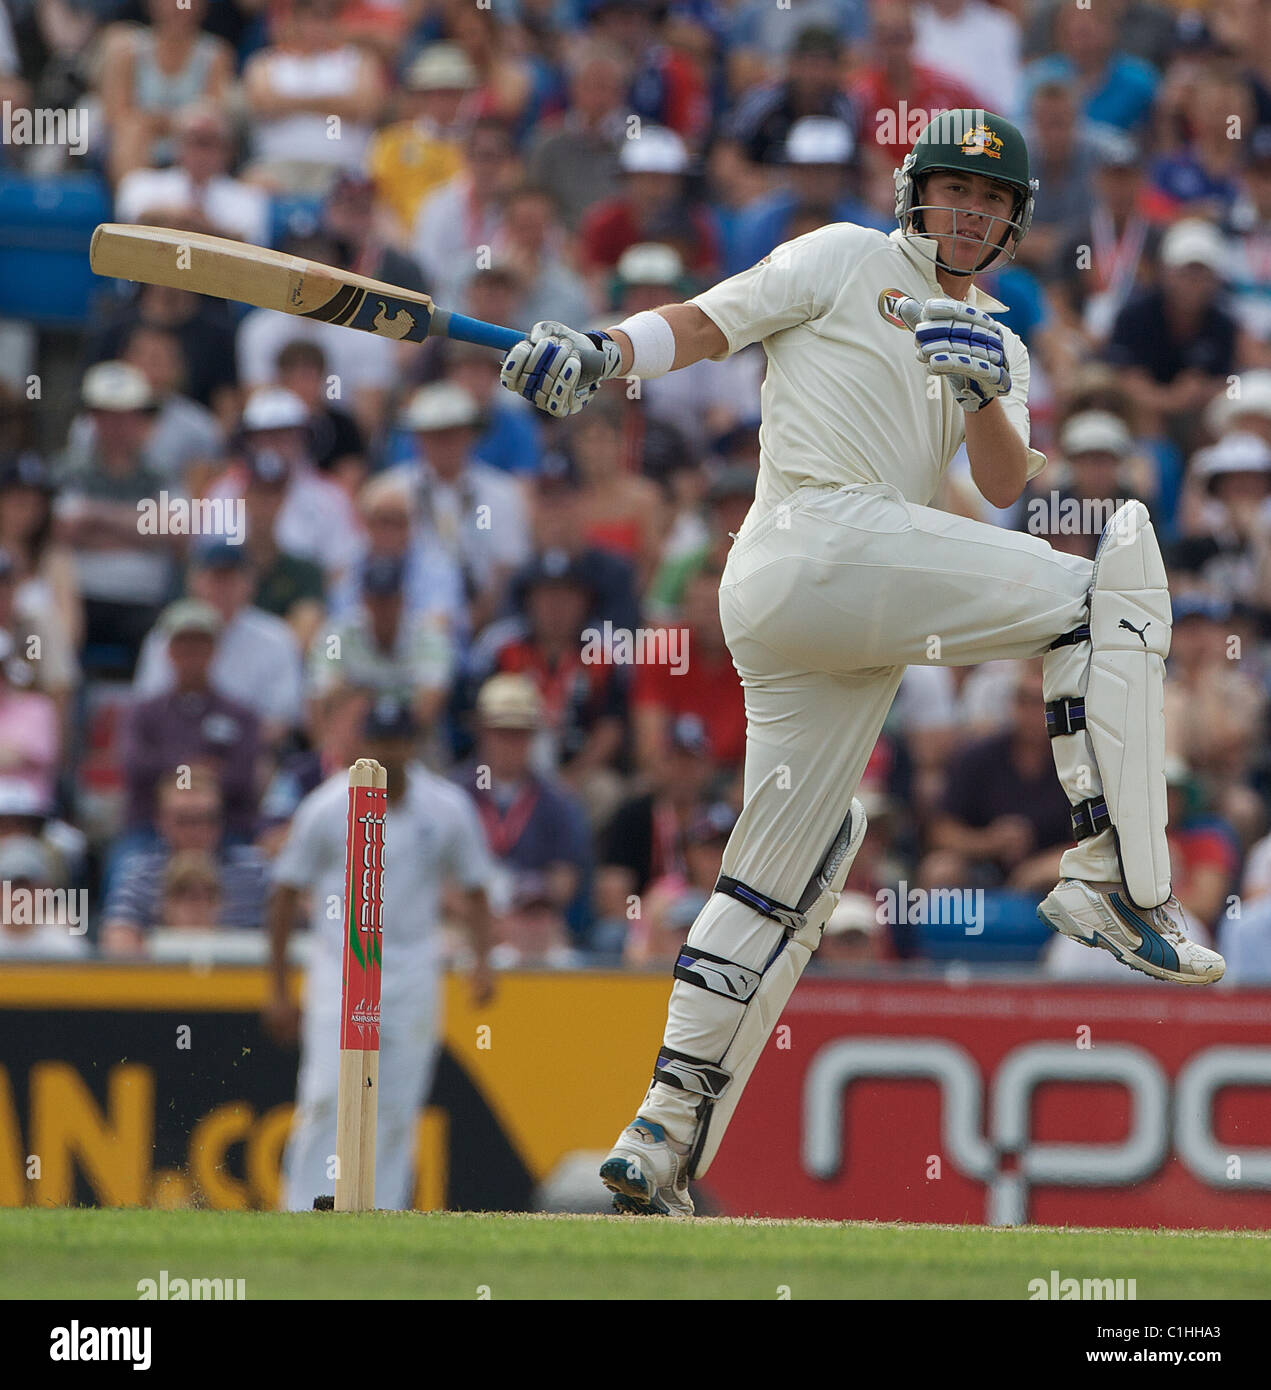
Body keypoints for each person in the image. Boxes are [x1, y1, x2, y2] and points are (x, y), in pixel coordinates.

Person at [497, 109, 1225, 1219]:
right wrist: (603, 351)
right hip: (813, 540)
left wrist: (983, 386)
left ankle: (660, 1133)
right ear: (913, 194)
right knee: (1107, 584)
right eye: (952, 191)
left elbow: (992, 483)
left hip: (832, 609)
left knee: (785, 868)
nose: (969, 213)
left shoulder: (1001, 335)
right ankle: (1112, 880)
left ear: (1014, 222)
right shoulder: (842, 257)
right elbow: (706, 322)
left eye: (990, 202)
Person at [268, 698, 496, 1212]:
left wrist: (483, 963)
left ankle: (383, 1210)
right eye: (381, 741)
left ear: (413, 745)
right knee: (326, 1093)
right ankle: (303, 1209)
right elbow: (283, 893)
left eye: (399, 741)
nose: (390, 753)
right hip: (340, 966)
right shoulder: (329, 806)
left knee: (395, 1104)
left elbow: (478, 887)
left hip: (415, 967)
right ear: (364, 743)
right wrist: (278, 989)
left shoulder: (446, 807)